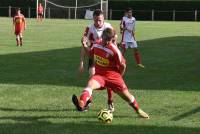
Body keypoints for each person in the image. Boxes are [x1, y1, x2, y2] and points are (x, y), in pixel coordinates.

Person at [72, 28, 149, 119]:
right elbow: (91, 55)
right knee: (89, 86)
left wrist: (119, 76)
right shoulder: (96, 44)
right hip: (99, 76)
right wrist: (84, 45)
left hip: (114, 78)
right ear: (102, 37)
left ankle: (138, 110)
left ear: (112, 39)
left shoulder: (115, 51)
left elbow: (123, 65)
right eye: (105, 39)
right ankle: (81, 105)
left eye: (109, 40)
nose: (107, 42)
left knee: (127, 97)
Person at [79, 9, 116, 112]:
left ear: (103, 18)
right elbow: (84, 45)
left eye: (99, 20)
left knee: (109, 80)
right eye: (95, 20)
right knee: (91, 78)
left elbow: (115, 40)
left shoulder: (108, 27)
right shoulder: (89, 28)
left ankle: (110, 101)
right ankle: (88, 102)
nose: (97, 23)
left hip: (107, 58)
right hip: (94, 56)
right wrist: (81, 62)